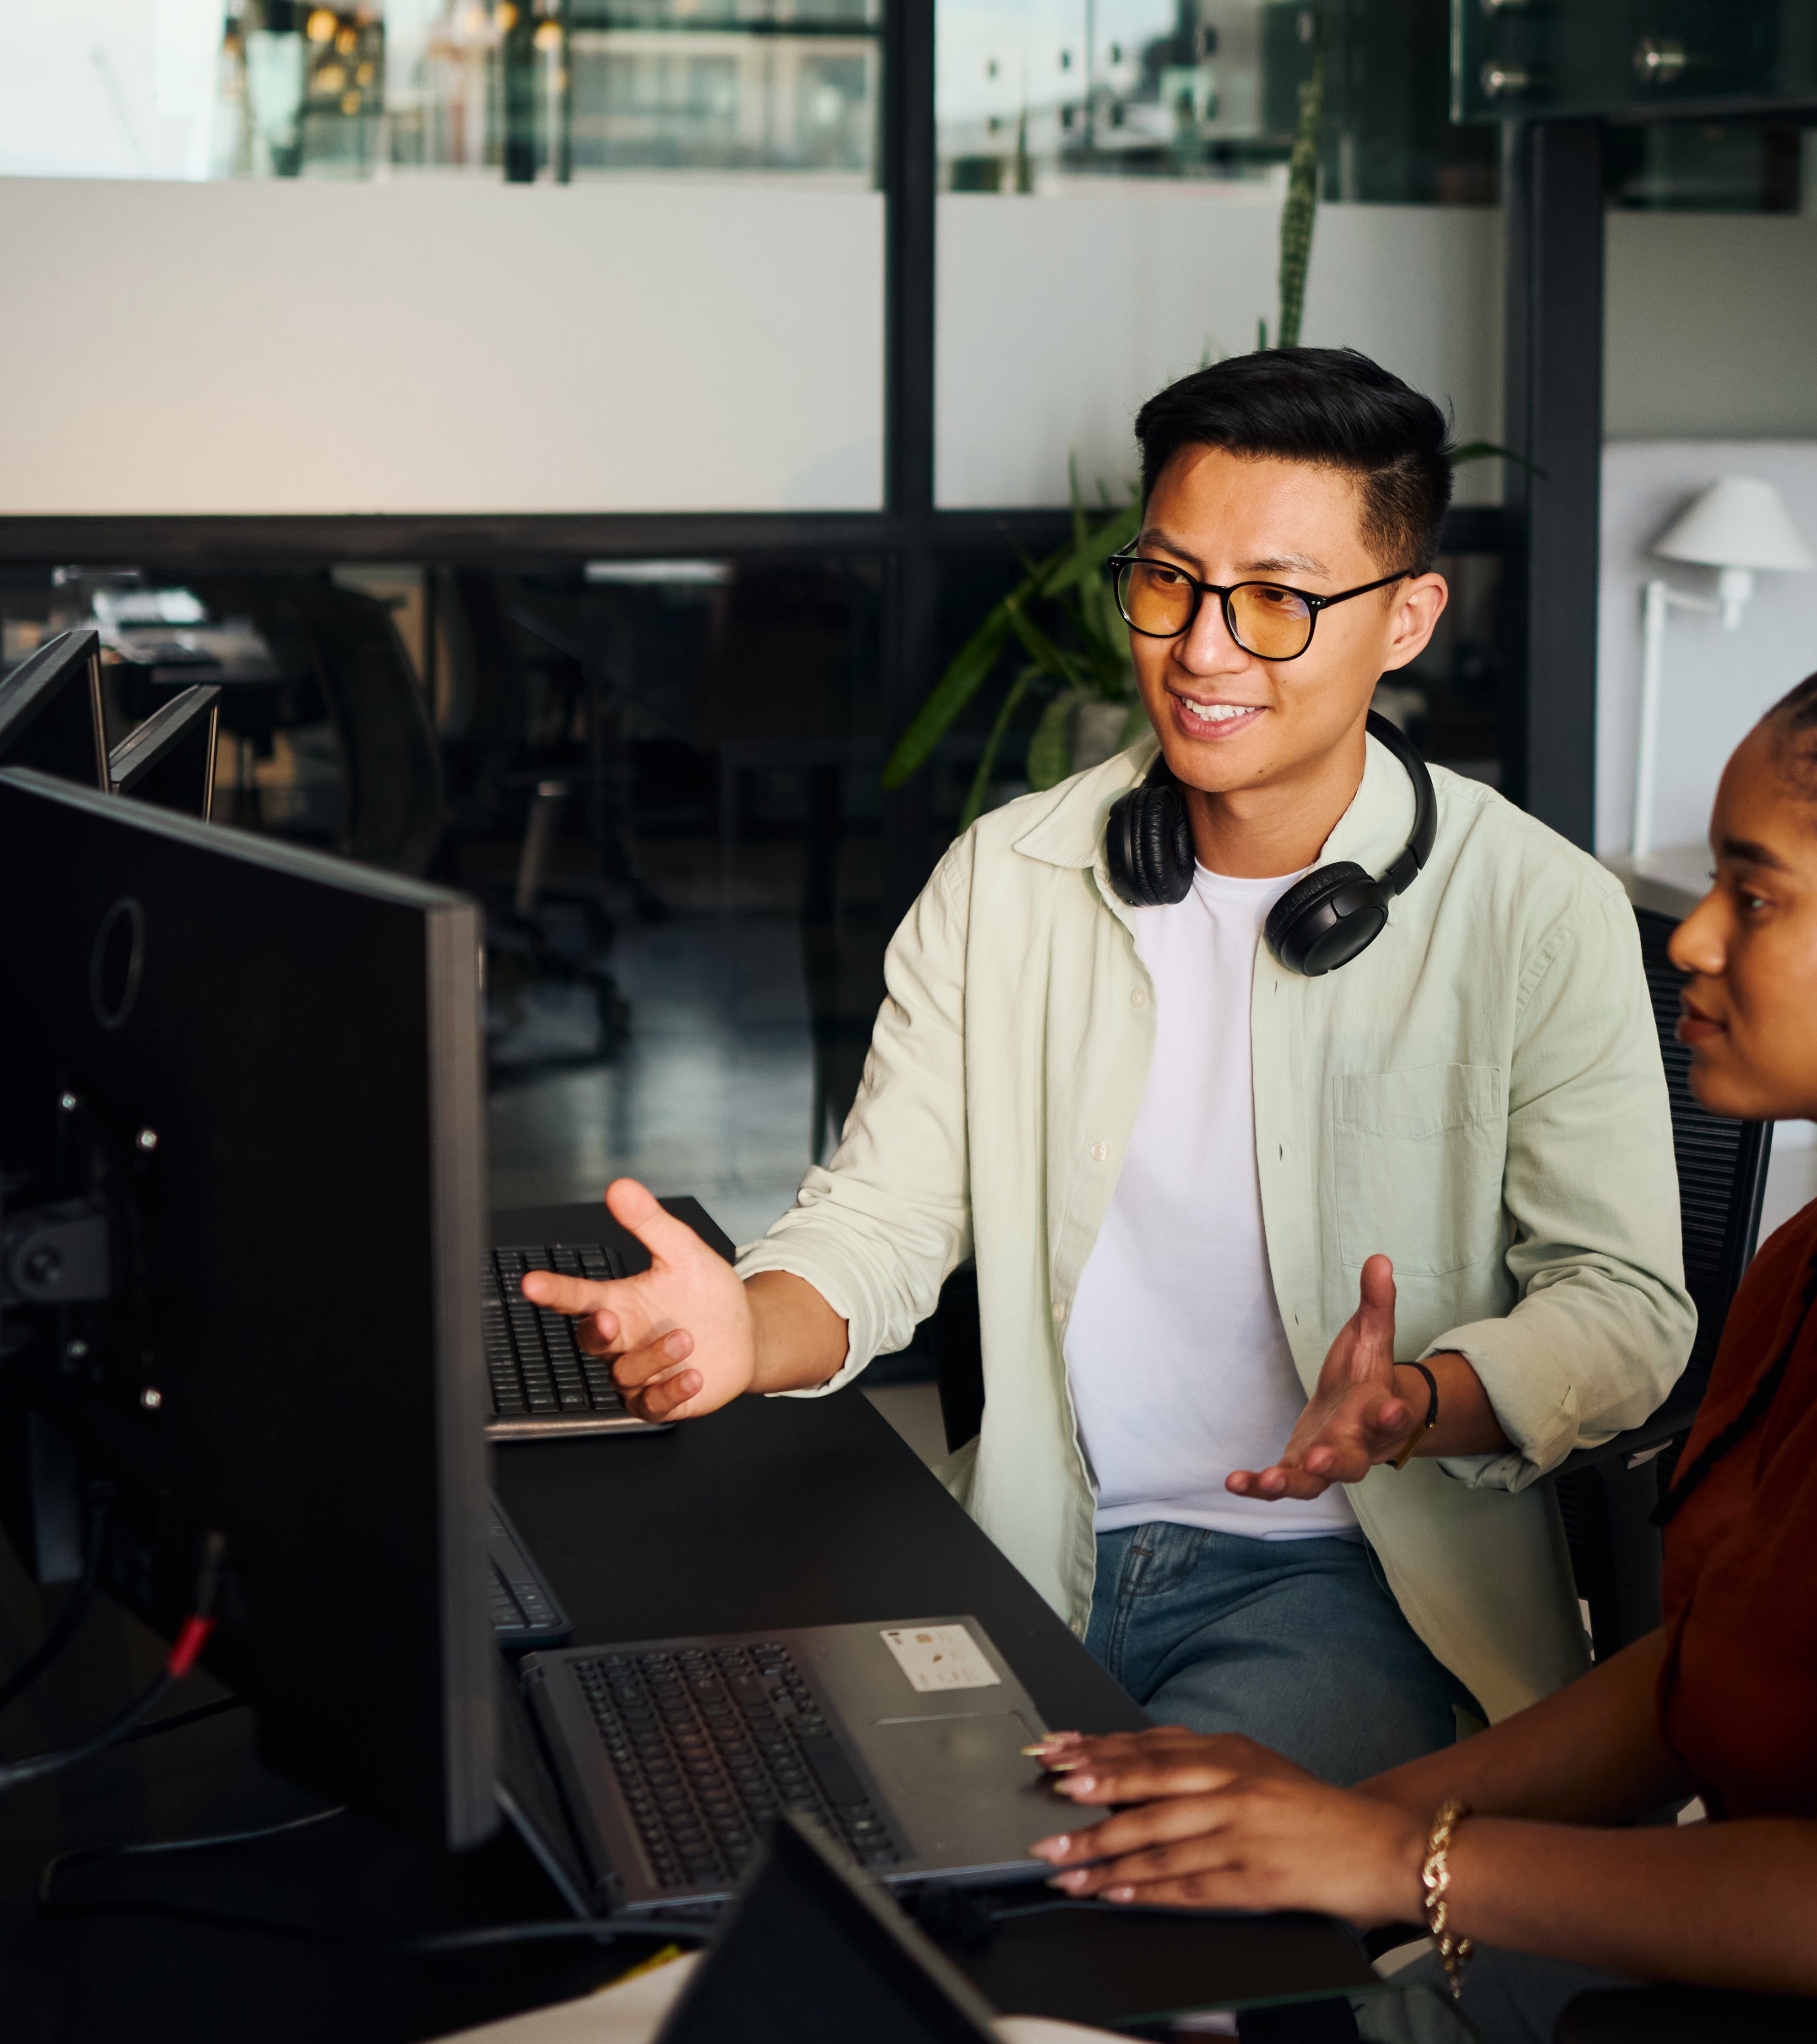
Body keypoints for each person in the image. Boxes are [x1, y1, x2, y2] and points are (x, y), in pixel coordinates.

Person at [1006, 621, 1817, 2043]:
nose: (1694, 941)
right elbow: (1697, 1678)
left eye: (1754, 896)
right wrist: (1326, 1826)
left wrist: (1395, 1866)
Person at [523, 348, 1693, 1787]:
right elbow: (886, 1217)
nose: (1202, 649)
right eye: (1169, 581)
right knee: (764, 1826)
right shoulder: (1009, 878)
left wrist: (1427, 1400)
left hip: (1340, 1588)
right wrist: (747, 1331)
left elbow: (1626, 1303)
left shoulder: (1534, 908)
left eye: (1276, 600)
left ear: (1407, 619)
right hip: (1029, 1546)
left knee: (1131, 1888)